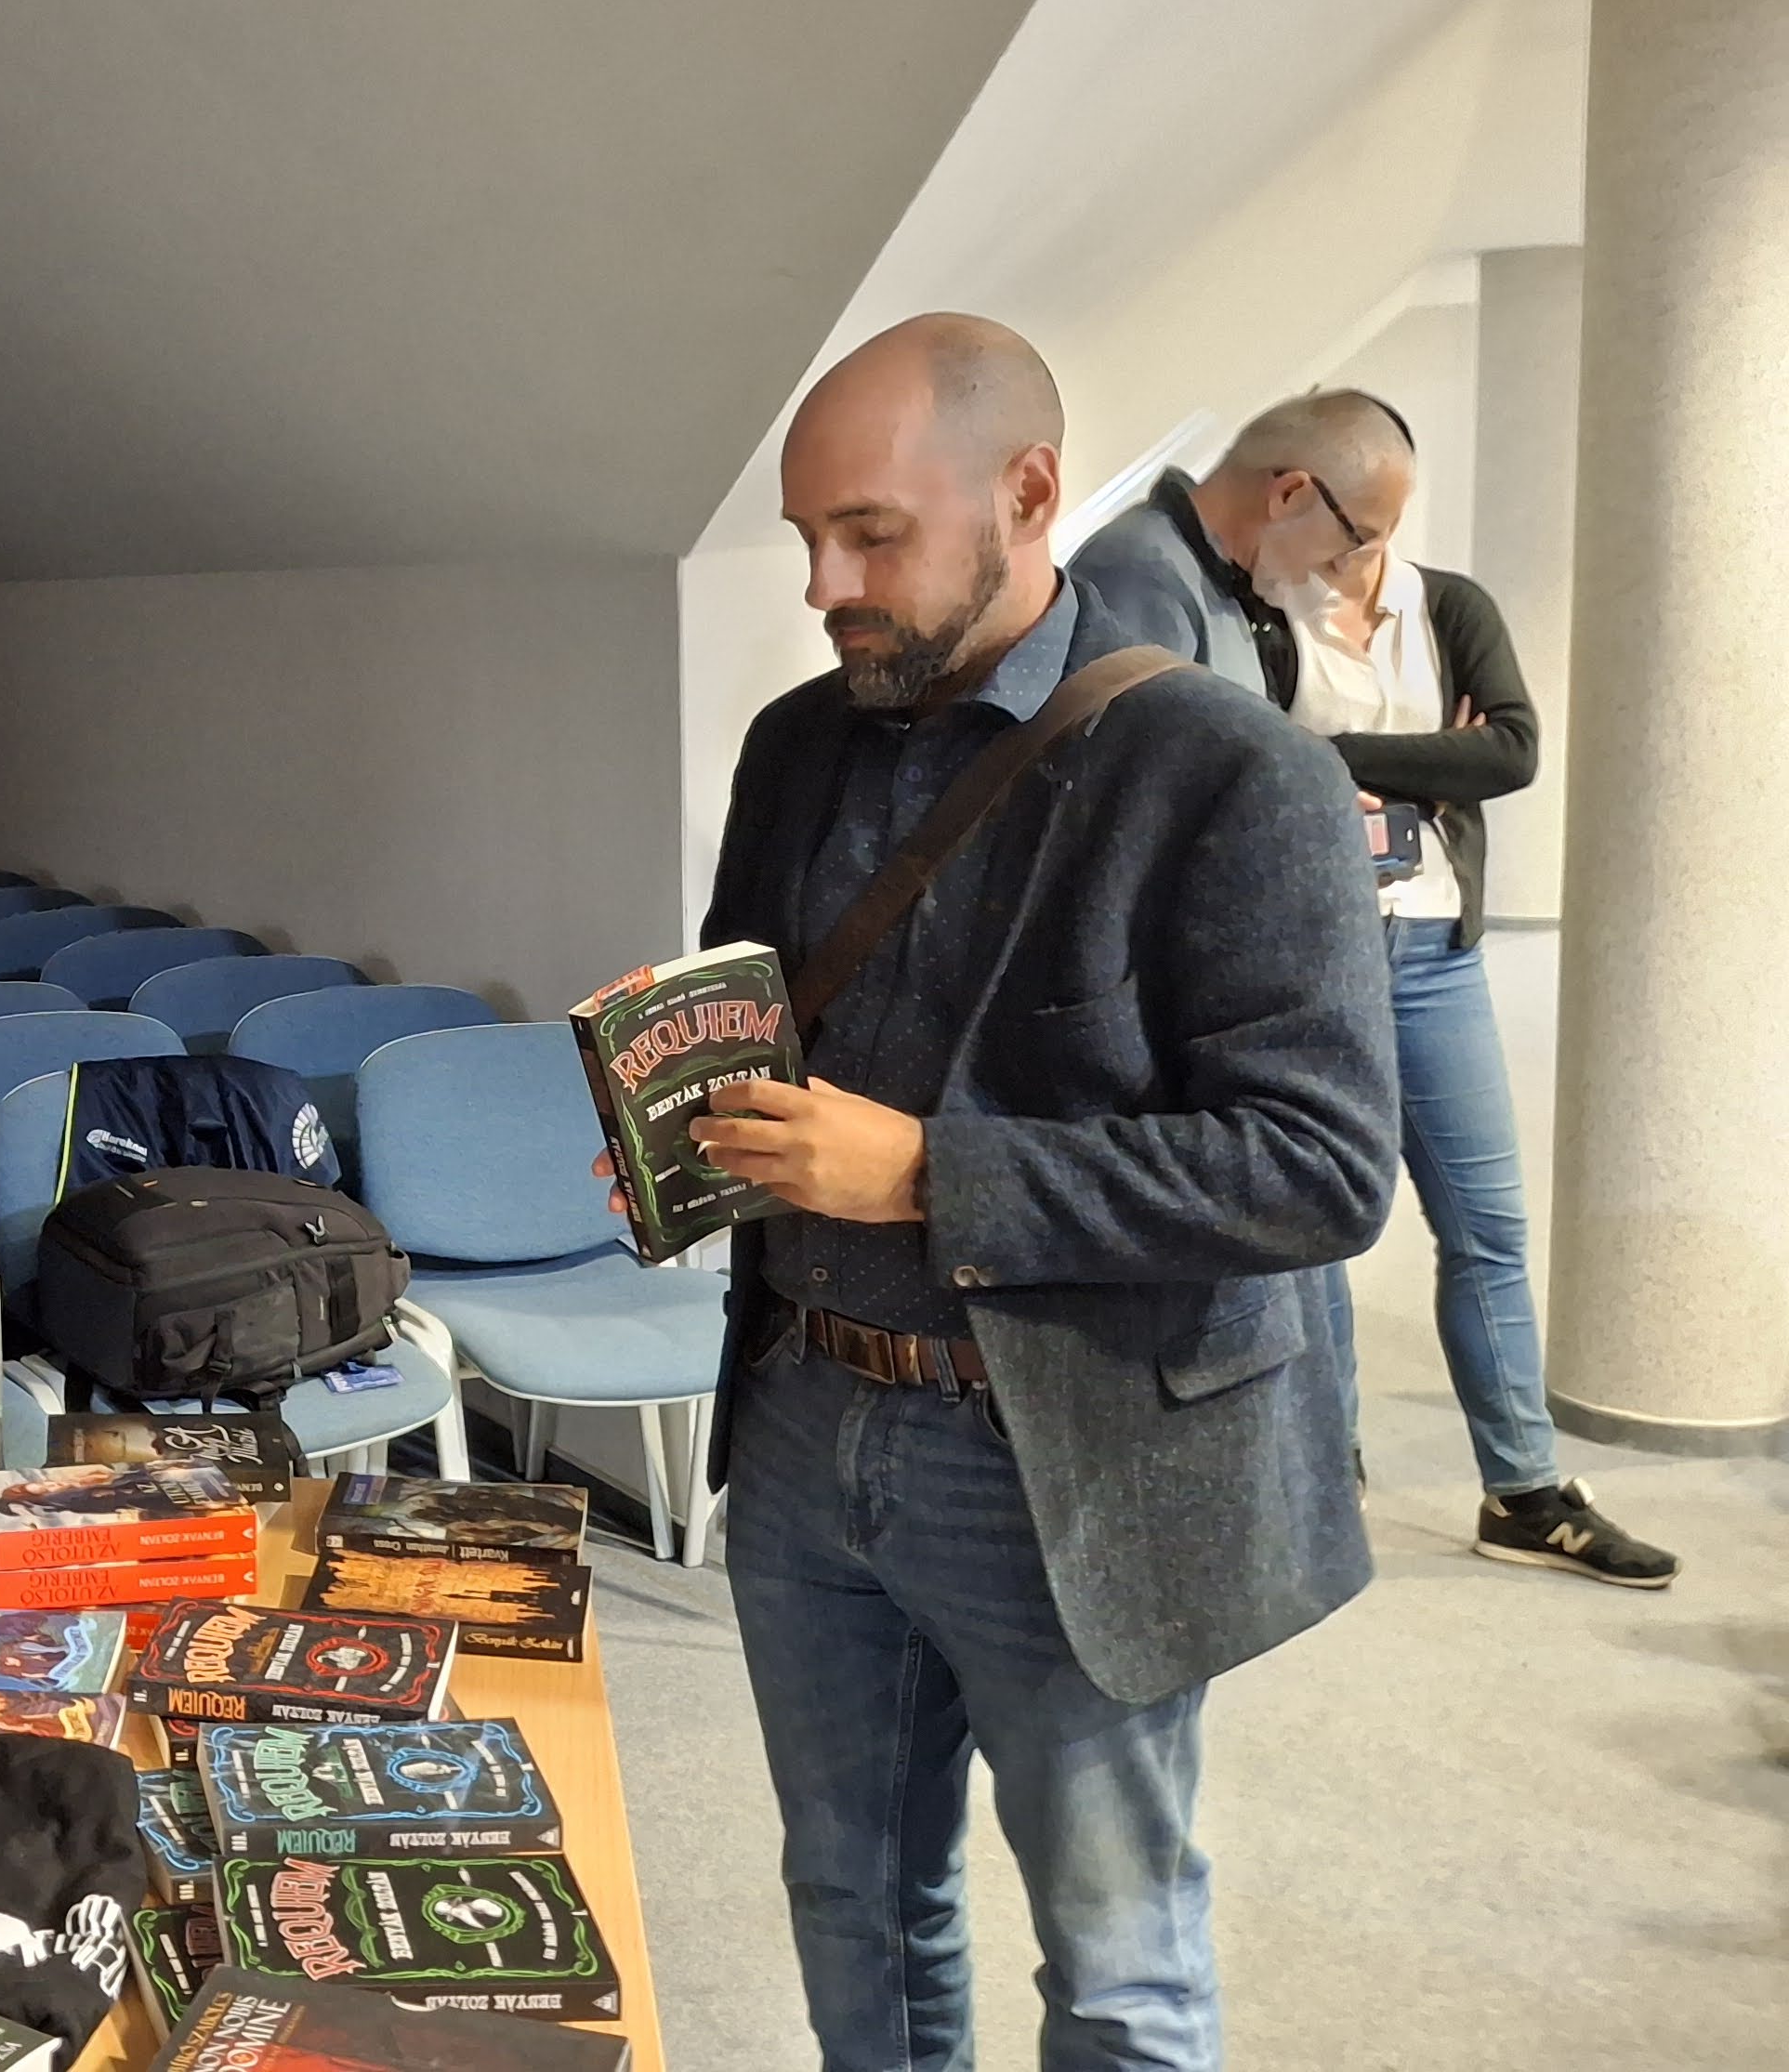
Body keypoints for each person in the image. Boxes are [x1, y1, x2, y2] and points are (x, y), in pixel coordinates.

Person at [690, 314, 1397, 2069]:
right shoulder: (798, 745)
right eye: (807, 540)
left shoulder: (1236, 774)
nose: (826, 587)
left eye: (870, 536)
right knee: (853, 1896)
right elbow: (757, 1013)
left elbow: (1319, 1169)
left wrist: (931, 1174)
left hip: (1069, 1457)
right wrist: (683, 1118)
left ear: (1026, 492)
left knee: (1117, 1964)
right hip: (802, 1413)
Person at [1076, 391, 1677, 1588]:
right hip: (1317, 948)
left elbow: (1505, 750)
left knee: (1485, 1223)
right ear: (1296, 494)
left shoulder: (1436, 605)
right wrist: (1345, 777)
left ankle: (1524, 1487)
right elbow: (1211, 775)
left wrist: (1325, 762)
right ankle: (1330, 1464)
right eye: (1358, 531)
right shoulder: (1216, 592)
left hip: (1435, 949)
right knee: (1319, 1220)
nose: (1365, 555)